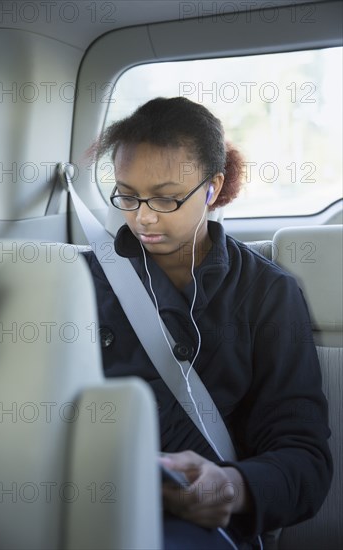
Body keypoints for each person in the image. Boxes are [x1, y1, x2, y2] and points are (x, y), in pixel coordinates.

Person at [82, 97, 332, 549]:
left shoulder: (267, 293)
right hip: (86, 508)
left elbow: (305, 460)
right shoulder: (78, 280)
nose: (143, 216)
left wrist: (232, 486)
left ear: (212, 188)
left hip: (201, 529)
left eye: (166, 197)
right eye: (127, 195)